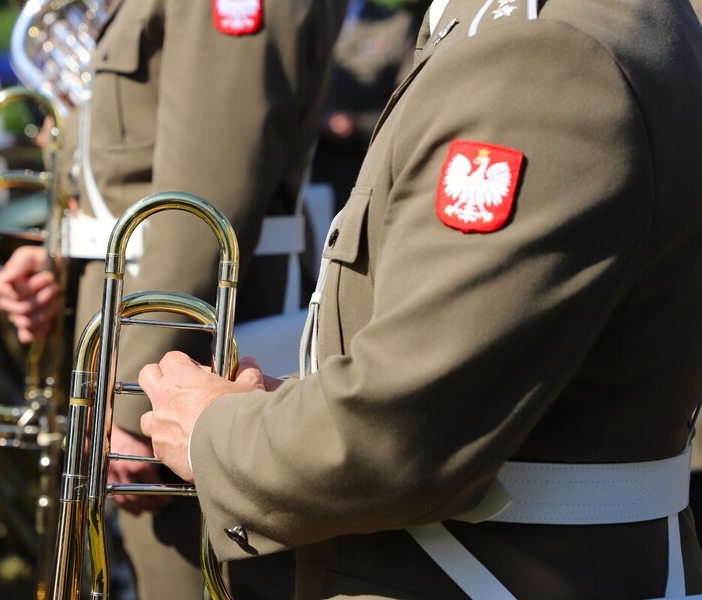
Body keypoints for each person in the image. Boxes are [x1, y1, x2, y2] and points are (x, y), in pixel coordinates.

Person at [137, 0, 702, 598]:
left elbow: (403, 432)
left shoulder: (541, 56)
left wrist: (213, 435)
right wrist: (294, 411)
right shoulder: (593, 26)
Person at [0, 0, 348, 597]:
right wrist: (59, 255)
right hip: (140, 331)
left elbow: (199, 206)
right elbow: (119, 172)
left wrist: (134, 401)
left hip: (184, 348)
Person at [310, 0, 424, 212]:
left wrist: (360, 124)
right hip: (306, 167)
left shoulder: (396, 25)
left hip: (365, 166)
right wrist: (316, 120)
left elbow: (410, 101)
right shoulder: (306, 16)